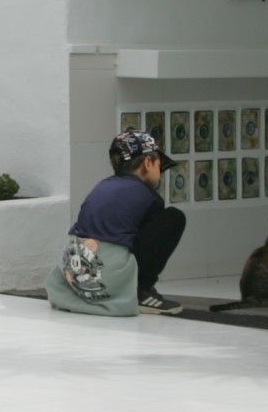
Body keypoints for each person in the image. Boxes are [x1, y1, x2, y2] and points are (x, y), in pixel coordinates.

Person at [46, 130, 189, 317]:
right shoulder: (148, 196)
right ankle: (142, 291)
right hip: (106, 276)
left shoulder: (103, 186)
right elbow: (149, 245)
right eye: (159, 164)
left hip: (72, 273)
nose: (160, 173)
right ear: (148, 162)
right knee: (173, 218)